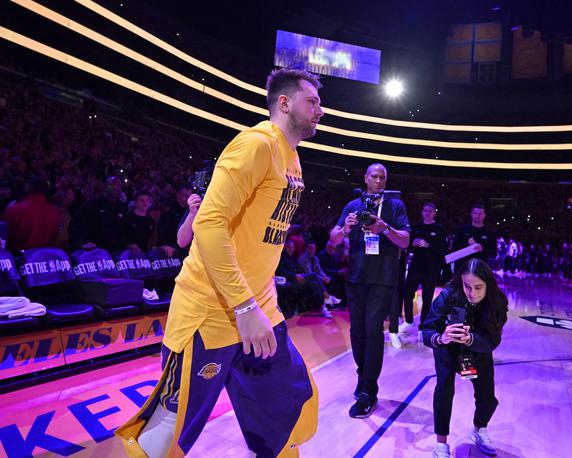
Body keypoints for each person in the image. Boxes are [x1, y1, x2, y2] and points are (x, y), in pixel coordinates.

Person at [115, 68, 324, 457]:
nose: (320, 110)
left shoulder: (292, 159)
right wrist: (243, 305)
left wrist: (260, 304)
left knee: (285, 403)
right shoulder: (256, 145)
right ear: (284, 103)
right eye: (312, 101)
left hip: (259, 310)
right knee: (176, 422)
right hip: (211, 312)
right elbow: (209, 224)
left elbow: (261, 241)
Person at [330, 163, 410, 418]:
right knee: (357, 331)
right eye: (374, 176)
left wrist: (384, 228)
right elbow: (333, 239)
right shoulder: (352, 206)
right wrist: (345, 229)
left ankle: (368, 391)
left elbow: (406, 240)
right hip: (355, 277)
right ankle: (362, 377)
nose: (378, 180)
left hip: (383, 278)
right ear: (365, 178)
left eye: (382, 177)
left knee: (373, 330)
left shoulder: (395, 206)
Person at [422, 258, 508, 458]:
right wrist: (440, 338)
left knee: (487, 397)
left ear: (488, 284)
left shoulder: (498, 302)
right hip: (447, 350)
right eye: (467, 286)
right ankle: (441, 444)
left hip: (477, 352)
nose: (473, 293)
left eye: (479, 287)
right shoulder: (448, 295)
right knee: (443, 390)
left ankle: (480, 429)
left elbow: (493, 341)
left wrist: (470, 339)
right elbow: (427, 330)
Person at [401, 202, 447, 328]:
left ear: (434, 213)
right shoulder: (415, 227)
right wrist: (413, 243)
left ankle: (423, 324)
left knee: (427, 297)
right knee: (407, 292)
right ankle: (409, 318)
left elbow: (443, 249)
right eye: (425, 210)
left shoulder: (439, 229)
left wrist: (428, 245)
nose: (427, 213)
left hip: (431, 267)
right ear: (422, 212)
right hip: (416, 265)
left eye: (430, 211)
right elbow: (406, 243)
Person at [1, 178, 60, 251]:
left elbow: (3, 235)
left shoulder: (15, 209)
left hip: (18, 257)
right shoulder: (55, 211)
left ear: (28, 188)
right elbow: (54, 236)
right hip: (43, 257)